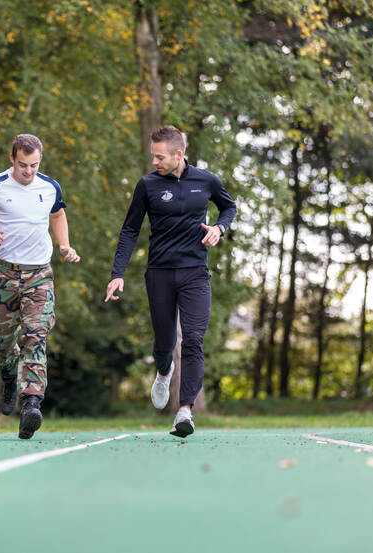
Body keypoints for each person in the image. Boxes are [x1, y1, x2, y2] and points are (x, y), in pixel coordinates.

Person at [105, 125, 236, 438]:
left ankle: (185, 411)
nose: (155, 162)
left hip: (195, 272)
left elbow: (228, 207)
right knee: (165, 343)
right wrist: (117, 273)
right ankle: (164, 371)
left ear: (179, 155)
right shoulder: (147, 185)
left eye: (159, 157)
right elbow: (129, 230)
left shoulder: (206, 180)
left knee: (193, 339)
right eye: (153, 156)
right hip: (160, 273)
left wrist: (220, 228)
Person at [0, 133, 79, 439]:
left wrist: (65, 245)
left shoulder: (49, 186)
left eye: (34, 165)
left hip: (40, 274)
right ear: (12, 159)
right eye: (23, 165)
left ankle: (31, 404)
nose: (28, 171)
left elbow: (58, 214)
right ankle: (8, 377)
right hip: (3, 275)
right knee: (3, 340)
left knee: (35, 335)